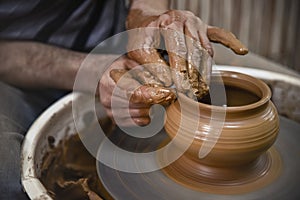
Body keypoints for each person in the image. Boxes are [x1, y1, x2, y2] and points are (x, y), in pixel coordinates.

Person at [0, 0, 246, 198]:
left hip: (114, 34)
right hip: (15, 68)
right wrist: (92, 72)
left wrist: (148, 17)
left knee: (239, 74)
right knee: (7, 179)